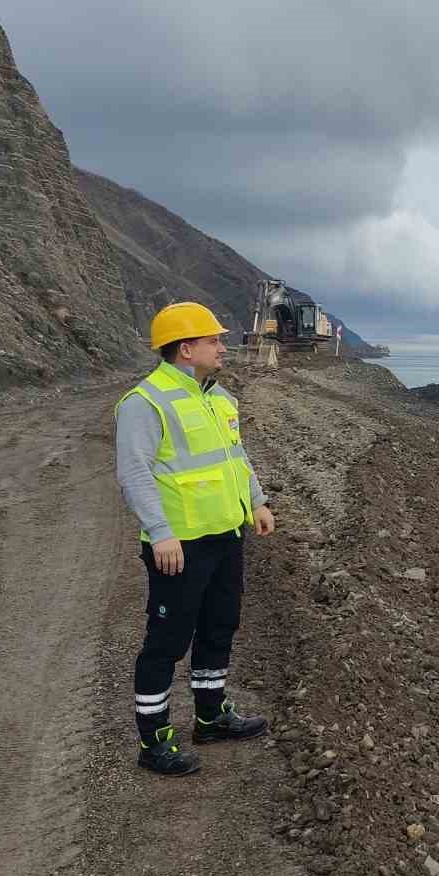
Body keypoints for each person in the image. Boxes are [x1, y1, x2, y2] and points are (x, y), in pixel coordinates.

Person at [115, 302, 276, 775]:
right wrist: (160, 532)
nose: (223, 347)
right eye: (213, 340)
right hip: (179, 546)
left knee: (219, 626)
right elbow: (134, 473)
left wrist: (257, 501)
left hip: (225, 536)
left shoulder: (219, 397)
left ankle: (210, 717)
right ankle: (154, 741)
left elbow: (235, 457)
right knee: (166, 642)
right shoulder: (145, 402)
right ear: (186, 349)